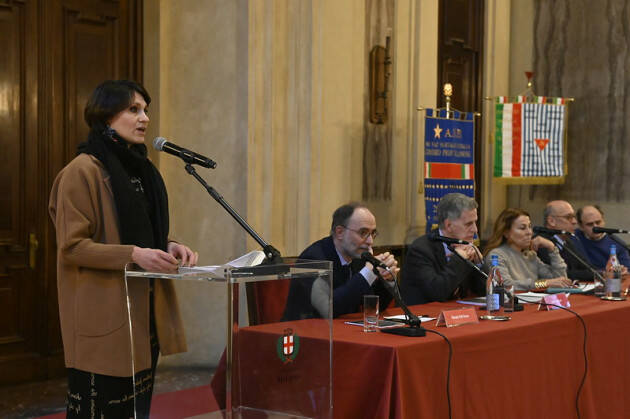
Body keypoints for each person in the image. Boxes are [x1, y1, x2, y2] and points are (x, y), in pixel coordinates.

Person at [49, 80, 198, 418]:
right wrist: (133, 254)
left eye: (146, 109)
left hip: (143, 314)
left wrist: (169, 245)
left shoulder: (141, 171)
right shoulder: (81, 172)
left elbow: (143, 231)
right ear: (105, 115)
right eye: (133, 109)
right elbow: (72, 247)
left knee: (137, 410)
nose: (144, 118)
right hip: (103, 314)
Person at [283, 203, 398, 319]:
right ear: (340, 232)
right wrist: (368, 273)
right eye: (363, 233)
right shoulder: (313, 258)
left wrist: (387, 279)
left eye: (373, 233)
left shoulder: (358, 257)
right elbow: (328, 309)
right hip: (305, 332)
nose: (370, 241)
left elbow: (373, 306)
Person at [400, 193, 485, 305]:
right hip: (423, 316)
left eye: (475, 222)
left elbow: (484, 291)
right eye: (469, 224)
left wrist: (479, 263)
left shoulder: (466, 246)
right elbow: (438, 292)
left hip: (457, 315)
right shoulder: (421, 250)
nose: (475, 230)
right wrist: (459, 260)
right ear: (448, 225)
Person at [483, 208, 571, 291]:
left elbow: (560, 281)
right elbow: (505, 285)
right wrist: (544, 283)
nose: (529, 232)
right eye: (522, 228)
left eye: (529, 226)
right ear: (506, 232)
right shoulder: (496, 256)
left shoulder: (530, 256)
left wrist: (552, 249)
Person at [537, 200, 596, 281]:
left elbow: (590, 269)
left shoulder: (569, 241)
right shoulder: (542, 243)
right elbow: (560, 275)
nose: (574, 222)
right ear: (551, 221)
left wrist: (603, 273)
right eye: (568, 217)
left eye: (574, 217)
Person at [575, 204, 630, 271]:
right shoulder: (573, 238)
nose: (595, 227)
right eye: (590, 224)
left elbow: (627, 268)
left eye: (598, 222)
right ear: (581, 226)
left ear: (603, 221)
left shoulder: (617, 243)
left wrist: (622, 270)